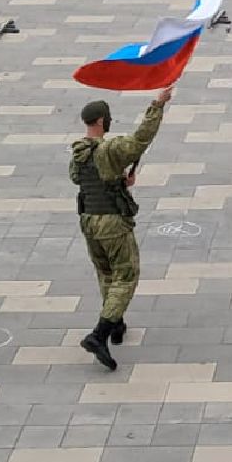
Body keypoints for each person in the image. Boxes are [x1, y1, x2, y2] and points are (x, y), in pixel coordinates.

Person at [71, 91, 169, 372]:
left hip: (88, 220)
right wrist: (157, 105)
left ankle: (116, 322)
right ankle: (99, 334)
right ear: (102, 120)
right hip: (112, 222)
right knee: (126, 276)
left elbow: (80, 179)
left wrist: (119, 182)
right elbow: (140, 139)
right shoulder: (110, 150)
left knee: (106, 273)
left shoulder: (78, 151)